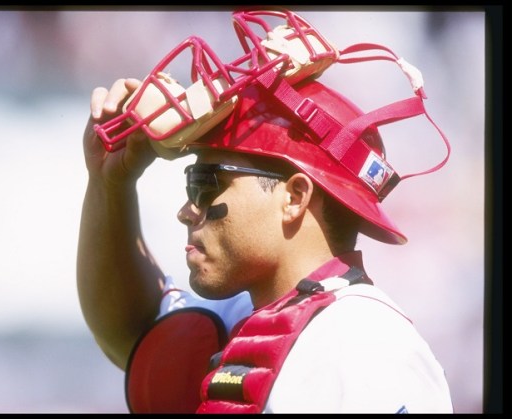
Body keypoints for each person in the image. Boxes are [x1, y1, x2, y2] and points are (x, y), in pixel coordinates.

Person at [77, 9, 453, 413]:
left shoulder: (367, 347)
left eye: (206, 184)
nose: (186, 211)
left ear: (293, 198)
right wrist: (109, 184)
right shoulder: (252, 315)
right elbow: (134, 330)